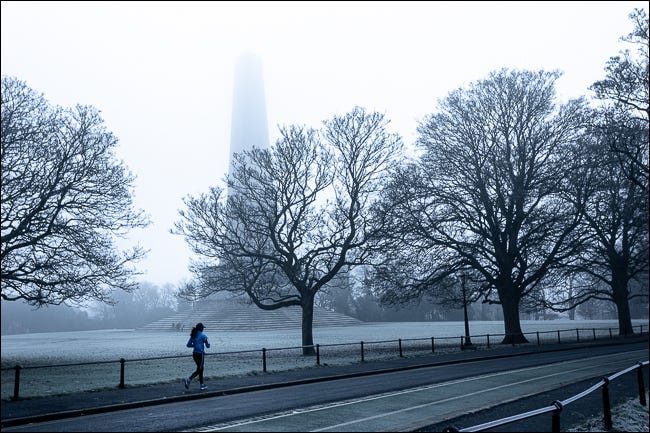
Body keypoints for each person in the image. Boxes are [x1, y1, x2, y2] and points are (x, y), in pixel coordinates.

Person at [184, 322, 210, 390]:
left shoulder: (193, 335)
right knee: (200, 369)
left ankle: (202, 385)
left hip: (194, 354)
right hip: (200, 354)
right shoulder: (203, 336)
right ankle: (189, 379)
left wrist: (195, 345)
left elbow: (188, 345)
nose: (203, 329)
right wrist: (207, 344)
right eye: (203, 328)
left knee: (200, 369)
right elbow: (207, 346)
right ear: (201, 328)